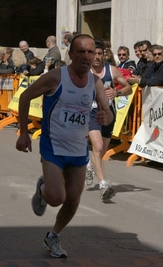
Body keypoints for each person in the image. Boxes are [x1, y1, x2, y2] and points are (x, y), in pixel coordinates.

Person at [16, 34, 114, 258]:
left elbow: (107, 117)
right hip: (53, 147)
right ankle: (43, 190)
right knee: (56, 198)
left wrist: (103, 115)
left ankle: (53, 236)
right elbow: (25, 97)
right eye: (81, 51)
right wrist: (23, 133)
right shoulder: (55, 77)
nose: (86, 57)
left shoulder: (95, 83)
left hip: (79, 150)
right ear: (71, 54)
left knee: (72, 200)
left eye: (91, 52)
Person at [86, 39, 132, 200]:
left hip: (108, 112)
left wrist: (117, 93)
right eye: (94, 54)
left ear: (104, 55)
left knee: (102, 149)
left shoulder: (111, 70)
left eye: (100, 54)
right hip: (91, 112)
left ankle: (91, 165)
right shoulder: (84, 71)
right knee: (97, 147)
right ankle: (103, 184)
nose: (97, 57)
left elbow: (128, 88)